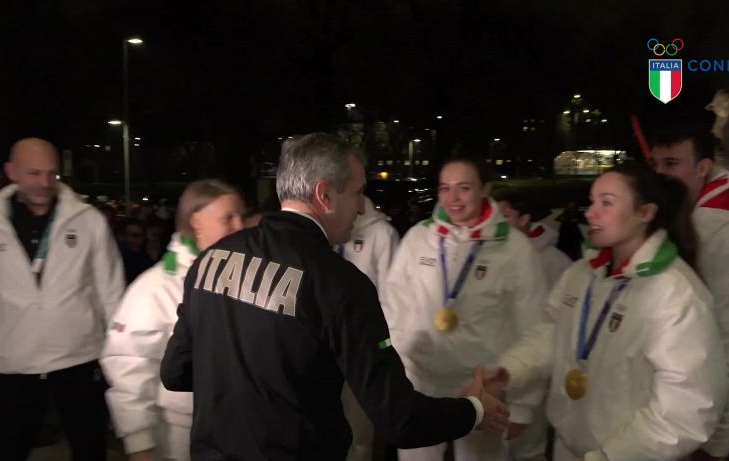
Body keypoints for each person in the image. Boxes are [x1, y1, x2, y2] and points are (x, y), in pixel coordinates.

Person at [160, 133, 509, 461]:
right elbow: (400, 420)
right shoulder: (341, 284)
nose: (361, 209)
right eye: (358, 193)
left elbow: (176, 372)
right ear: (325, 195)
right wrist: (475, 410)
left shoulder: (213, 257)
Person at [494, 161, 728, 461]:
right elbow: (553, 332)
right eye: (592, 201)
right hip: (570, 445)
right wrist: (510, 369)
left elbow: (689, 407)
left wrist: (611, 455)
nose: (590, 213)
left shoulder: (675, 292)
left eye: (607, 203)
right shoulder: (581, 274)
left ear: (645, 213)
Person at [0, 138, 125, 461]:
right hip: (13, 361)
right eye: (34, 173)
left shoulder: (88, 221)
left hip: (79, 358)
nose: (45, 183)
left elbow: (112, 293)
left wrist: (120, 357)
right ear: (11, 172)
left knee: (90, 448)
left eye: (52, 174)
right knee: (8, 449)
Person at [382, 156, 548, 461]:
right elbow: (393, 306)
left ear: (485, 189)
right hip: (421, 381)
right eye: (445, 188)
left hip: (480, 386)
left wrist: (523, 405)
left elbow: (534, 327)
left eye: (464, 188)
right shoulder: (419, 238)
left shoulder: (513, 248)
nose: (452, 199)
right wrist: (400, 368)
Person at [648, 126, 729, 461]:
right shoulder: (668, 219)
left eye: (672, 163)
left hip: (693, 431)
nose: (660, 174)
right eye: (655, 163)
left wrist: (715, 445)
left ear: (703, 167)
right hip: (653, 418)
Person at [101, 180, 245, 461]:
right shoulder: (156, 287)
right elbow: (128, 365)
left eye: (241, 215)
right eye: (229, 218)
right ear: (196, 222)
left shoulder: (243, 277)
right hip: (183, 438)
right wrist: (139, 444)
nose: (240, 226)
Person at [335, 195, 399, 461]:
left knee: (358, 435)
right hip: (320, 350)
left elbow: (392, 300)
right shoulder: (316, 231)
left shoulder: (382, 234)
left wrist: (382, 353)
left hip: (360, 353)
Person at [495, 190, 572, 287]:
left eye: (505, 216)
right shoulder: (490, 253)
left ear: (523, 219)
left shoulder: (551, 259)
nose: (496, 222)